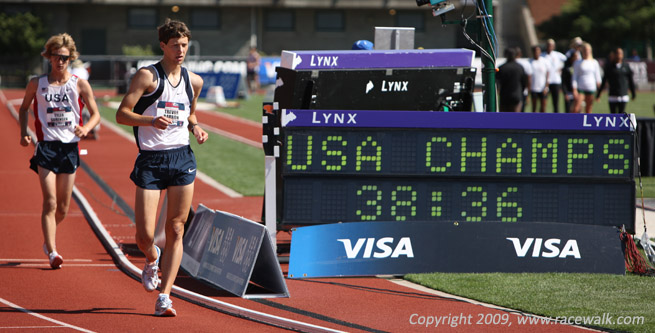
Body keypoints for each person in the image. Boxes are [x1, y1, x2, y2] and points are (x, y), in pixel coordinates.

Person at [115, 19, 208, 317]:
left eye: (184, 45)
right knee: (144, 235)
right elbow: (122, 114)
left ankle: (165, 296)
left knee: (177, 228)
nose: (180, 50)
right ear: (163, 46)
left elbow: (190, 114)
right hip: (152, 161)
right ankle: (151, 258)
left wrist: (196, 128)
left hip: (182, 158)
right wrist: (150, 121)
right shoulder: (147, 77)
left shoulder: (194, 82)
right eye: (175, 45)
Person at [18, 33, 100, 269]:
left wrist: (86, 128)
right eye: (56, 56)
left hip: (70, 148)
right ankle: (53, 251)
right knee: (50, 202)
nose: (60, 61)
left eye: (64, 57)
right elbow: (23, 109)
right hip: (46, 148)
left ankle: (48, 236)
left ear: (71, 58)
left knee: (63, 207)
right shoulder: (37, 83)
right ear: (49, 57)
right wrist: (23, 132)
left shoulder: (79, 84)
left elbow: (95, 114)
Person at [596, 47, 636, 114]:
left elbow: (631, 80)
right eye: (617, 53)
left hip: (623, 95)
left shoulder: (626, 66)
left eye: (620, 53)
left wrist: (633, 93)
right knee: (613, 116)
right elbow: (604, 81)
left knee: (621, 115)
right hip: (612, 95)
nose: (619, 55)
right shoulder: (609, 67)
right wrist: (599, 94)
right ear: (614, 55)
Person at [572, 42, 602, 113]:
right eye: (585, 50)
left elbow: (598, 77)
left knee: (589, 109)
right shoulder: (577, 62)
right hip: (581, 88)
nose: (586, 52)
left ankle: (586, 123)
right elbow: (574, 77)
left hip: (591, 88)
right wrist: (574, 89)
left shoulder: (594, 62)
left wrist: (599, 91)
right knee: (576, 108)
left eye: (588, 50)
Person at [496, 47, 527, 112]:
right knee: (515, 118)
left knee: (504, 118)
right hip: (517, 96)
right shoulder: (520, 67)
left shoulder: (501, 68)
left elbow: (497, 83)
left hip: (504, 96)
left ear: (505, 55)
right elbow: (524, 82)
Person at [542, 39, 567, 113]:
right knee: (544, 101)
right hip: (545, 82)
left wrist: (561, 68)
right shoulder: (542, 55)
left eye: (551, 45)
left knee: (555, 102)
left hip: (555, 81)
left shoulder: (557, 55)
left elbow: (567, 61)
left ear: (554, 46)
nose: (550, 47)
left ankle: (556, 118)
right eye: (548, 45)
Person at [529, 45, 550, 113]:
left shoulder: (544, 61)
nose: (536, 53)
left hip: (542, 88)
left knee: (543, 107)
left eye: (538, 51)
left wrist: (546, 87)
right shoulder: (529, 62)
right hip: (533, 88)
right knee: (534, 107)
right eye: (535, 51)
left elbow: (547, 75)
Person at [514, 47, 532, 112]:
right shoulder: (526, 63)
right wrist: (528, 92)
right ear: (520, 54)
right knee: (521, 110)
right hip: (522, 91)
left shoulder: (511, 63)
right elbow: (529, 79)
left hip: (512, 91)